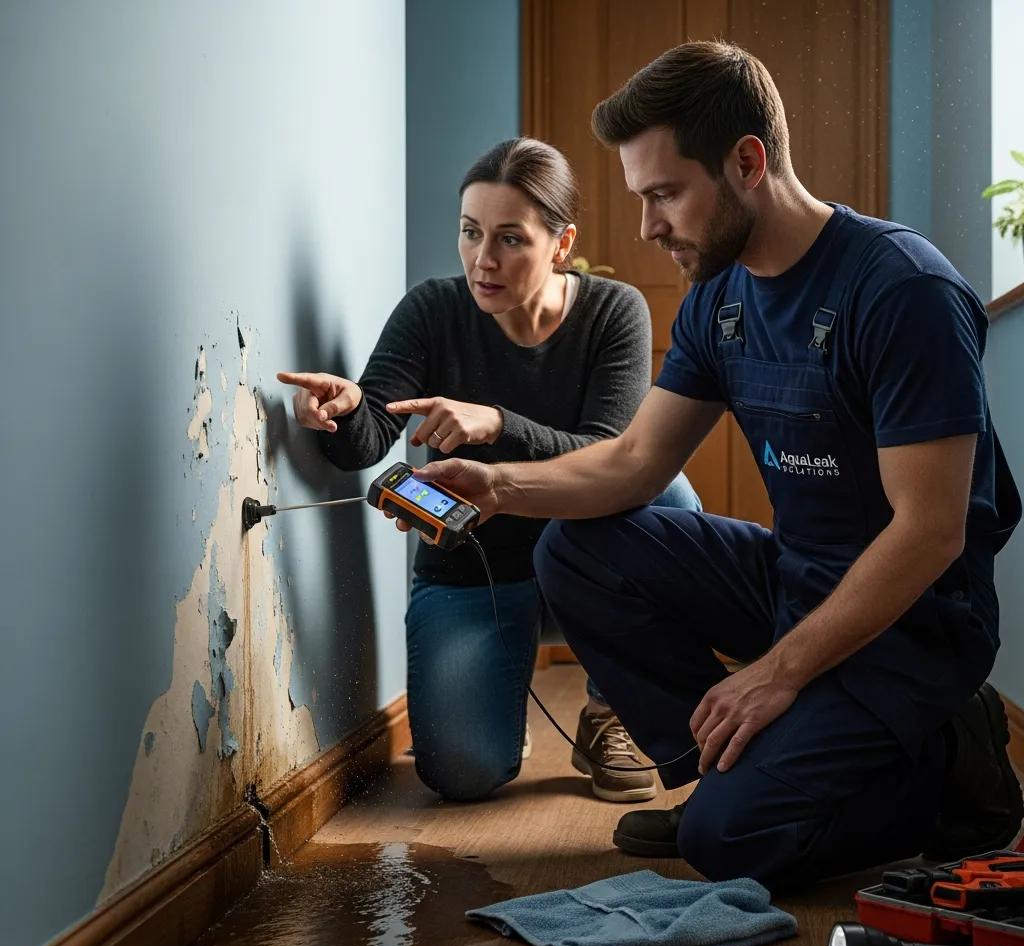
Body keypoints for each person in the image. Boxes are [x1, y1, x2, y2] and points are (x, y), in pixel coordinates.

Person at [410, 43, 1024, 890]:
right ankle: (736, 775)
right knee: (574, 550)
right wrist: (500, 487)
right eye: (640, 198)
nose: (647, 226)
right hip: (795, 581)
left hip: (914, 628)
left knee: (729, 846)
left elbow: (930, 534)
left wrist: (776, 675)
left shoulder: (902, 291)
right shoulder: (717, 299)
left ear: (747, 162)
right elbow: (633, 461)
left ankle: (953, 752)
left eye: (665, 194)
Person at [278, 137, 700, 804]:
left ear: (561, 245)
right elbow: (368, 443)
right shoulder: (431, 311)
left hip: (588, 566)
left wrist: (497, 424)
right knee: (462, 774)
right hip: (474, 572)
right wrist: (345, 408)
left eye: (510, 239)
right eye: (471, 233)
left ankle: (609, 710)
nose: (483, 259)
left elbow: (610, 454)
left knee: (670, 496)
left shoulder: (614, 313)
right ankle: (497, 697)